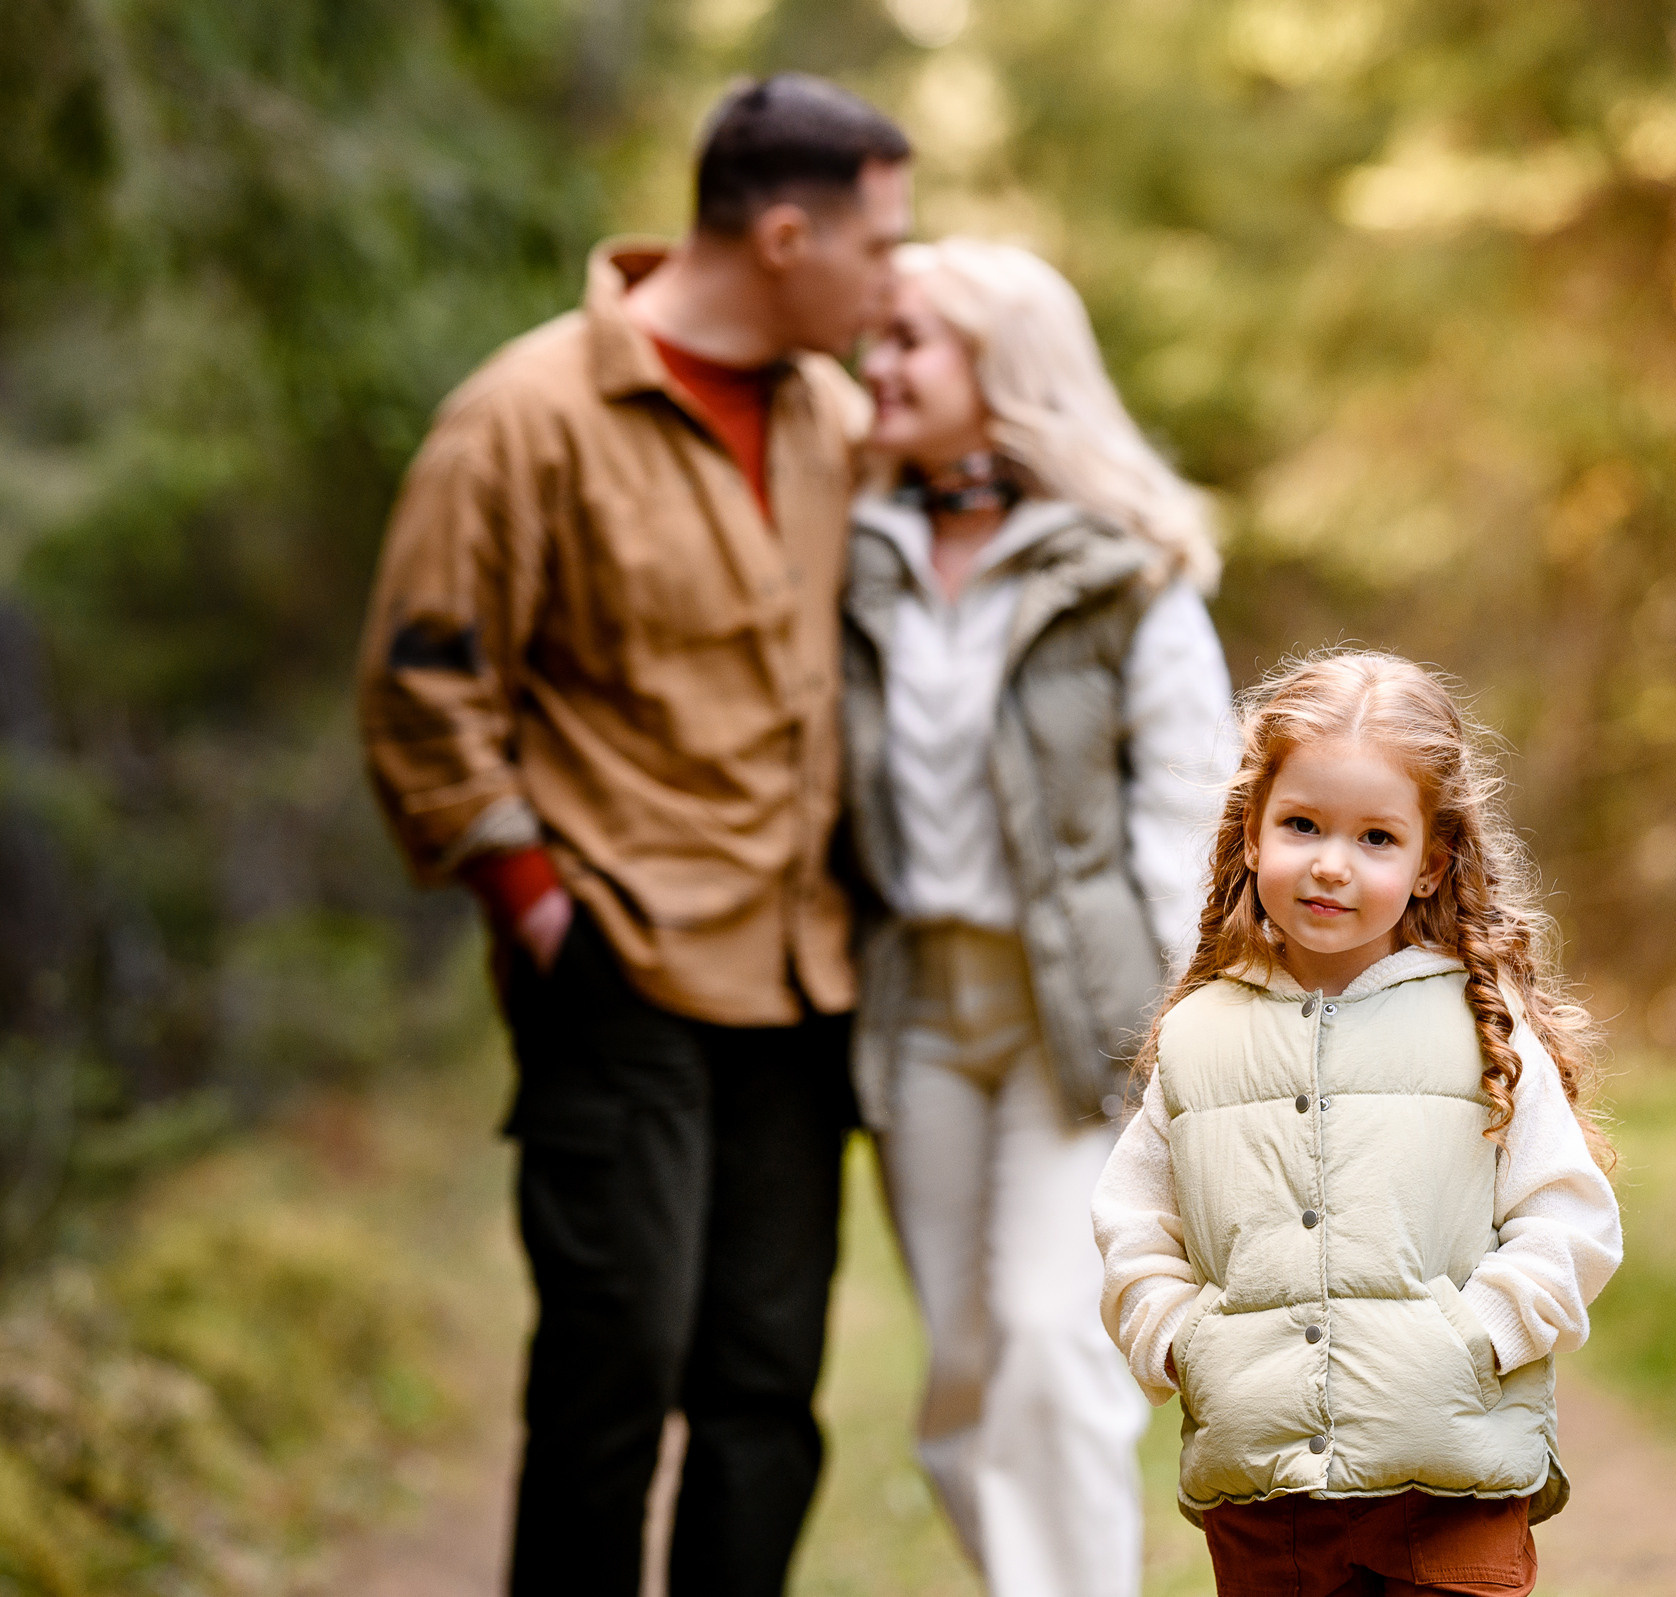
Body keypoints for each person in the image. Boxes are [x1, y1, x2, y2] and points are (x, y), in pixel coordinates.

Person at [355, 76, 910, 1596]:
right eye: (879, 247)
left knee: (765, 1385)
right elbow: (422, 689)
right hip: (619, 966)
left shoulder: (842, 419)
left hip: (808, 982)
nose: (893, 283)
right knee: (614, 1377)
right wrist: (536, 904)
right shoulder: (521, 416)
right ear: (786, 235)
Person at [840, 238, 1234, 1596]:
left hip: (1080, 1019)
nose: (871, 363)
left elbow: (1192, 821)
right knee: (959, 1371)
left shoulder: (1126, 573)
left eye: (907, 341)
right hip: (916, 1016)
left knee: (1049, 1340)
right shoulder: (854, 552)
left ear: (1000, 370)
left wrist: (1190, 1044)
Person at [1093, 649, 1624, 1597]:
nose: (1332, 864)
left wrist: (1474, 1339)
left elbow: (1570, 1218)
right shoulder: (1199, 1036)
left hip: (1455, 1490)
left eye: (1377, 837)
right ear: (1251, 837)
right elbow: (1136, 1228)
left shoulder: (1479, 1022)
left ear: (1432, 862)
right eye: (1302, 825)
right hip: (1269, 1512)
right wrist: (1186, 1345)